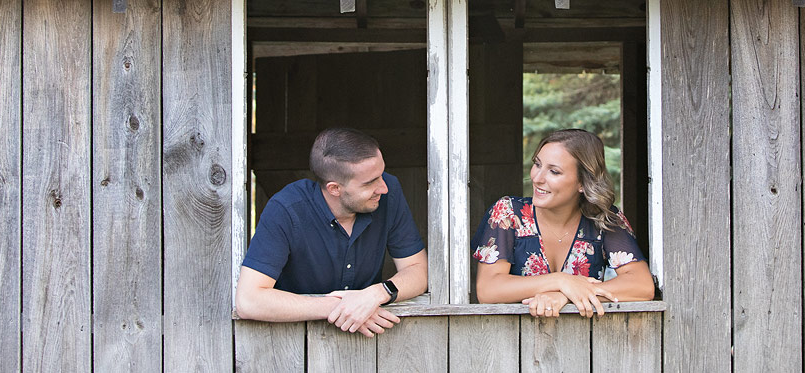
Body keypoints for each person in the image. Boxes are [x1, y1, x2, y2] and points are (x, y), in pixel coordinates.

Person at [235, 127, 428, 336]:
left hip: (370, 345)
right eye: (370, 182)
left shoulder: (387, 194)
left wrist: (376, 295)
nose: (383, 187)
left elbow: (418, 270)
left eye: (381, 174)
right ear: (334, 188)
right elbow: (249, 300)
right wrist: (343, 307)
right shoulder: (287, 208)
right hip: (292, 343)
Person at [472, 128, 655, 318]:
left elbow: (642, 286)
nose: (537, 178)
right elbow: (488, 289)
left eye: (554, 171)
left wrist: (566, 296)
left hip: (588, 343)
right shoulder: (508, 213)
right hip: (510, 342)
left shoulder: (604, 220)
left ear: (583, 183)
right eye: (537, 164)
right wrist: (560, 281)